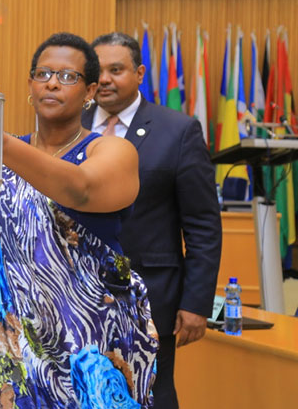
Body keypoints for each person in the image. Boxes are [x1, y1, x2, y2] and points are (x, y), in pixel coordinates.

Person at [0, 33, 158, 409]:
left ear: (89, 91)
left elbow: (81, 190)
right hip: (14, 333)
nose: (53, 83)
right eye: (43, 74)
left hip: (89, 336)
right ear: (30, 85)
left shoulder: (111, 149)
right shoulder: (4, 150)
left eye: (67, 77)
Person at [82, 32, 221, 409]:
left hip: (151, 294)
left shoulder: (178, 130)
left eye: (117, 69)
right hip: (76, 294)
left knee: (150, 392)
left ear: (140, 73)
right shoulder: (69, 124)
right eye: (99, 71)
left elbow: (203, 226)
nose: (106, 79)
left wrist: (196, 303)